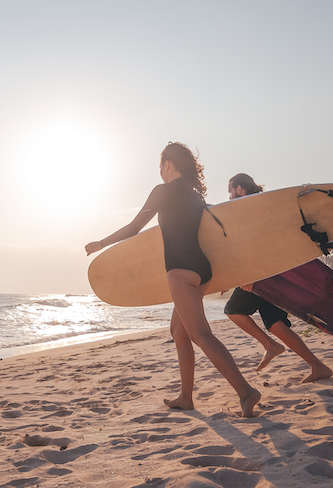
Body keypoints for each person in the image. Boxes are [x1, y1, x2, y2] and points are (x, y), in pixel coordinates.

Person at [86, 143, 261, 417]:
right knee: (179, 332)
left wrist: (101, 243)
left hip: (180, 271)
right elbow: (211, 236)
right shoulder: (194, 196)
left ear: (167, 163)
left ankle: (246, 392)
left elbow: (134, 228)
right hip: (202, 269)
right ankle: (186, 397)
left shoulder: (162, 192)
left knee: (200, 334)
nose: (159, 170)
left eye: (160, 164)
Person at [224, 173, 333, 383]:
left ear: (239, 189)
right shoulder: (263, 204)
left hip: (263, 274)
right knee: (275, 323)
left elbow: (260, 244)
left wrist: (251, 275)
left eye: (230, 191)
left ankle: (269, 345)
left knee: (233, 310)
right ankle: (317, 366)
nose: (229, 197)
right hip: (274, 273)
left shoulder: (251, 207)